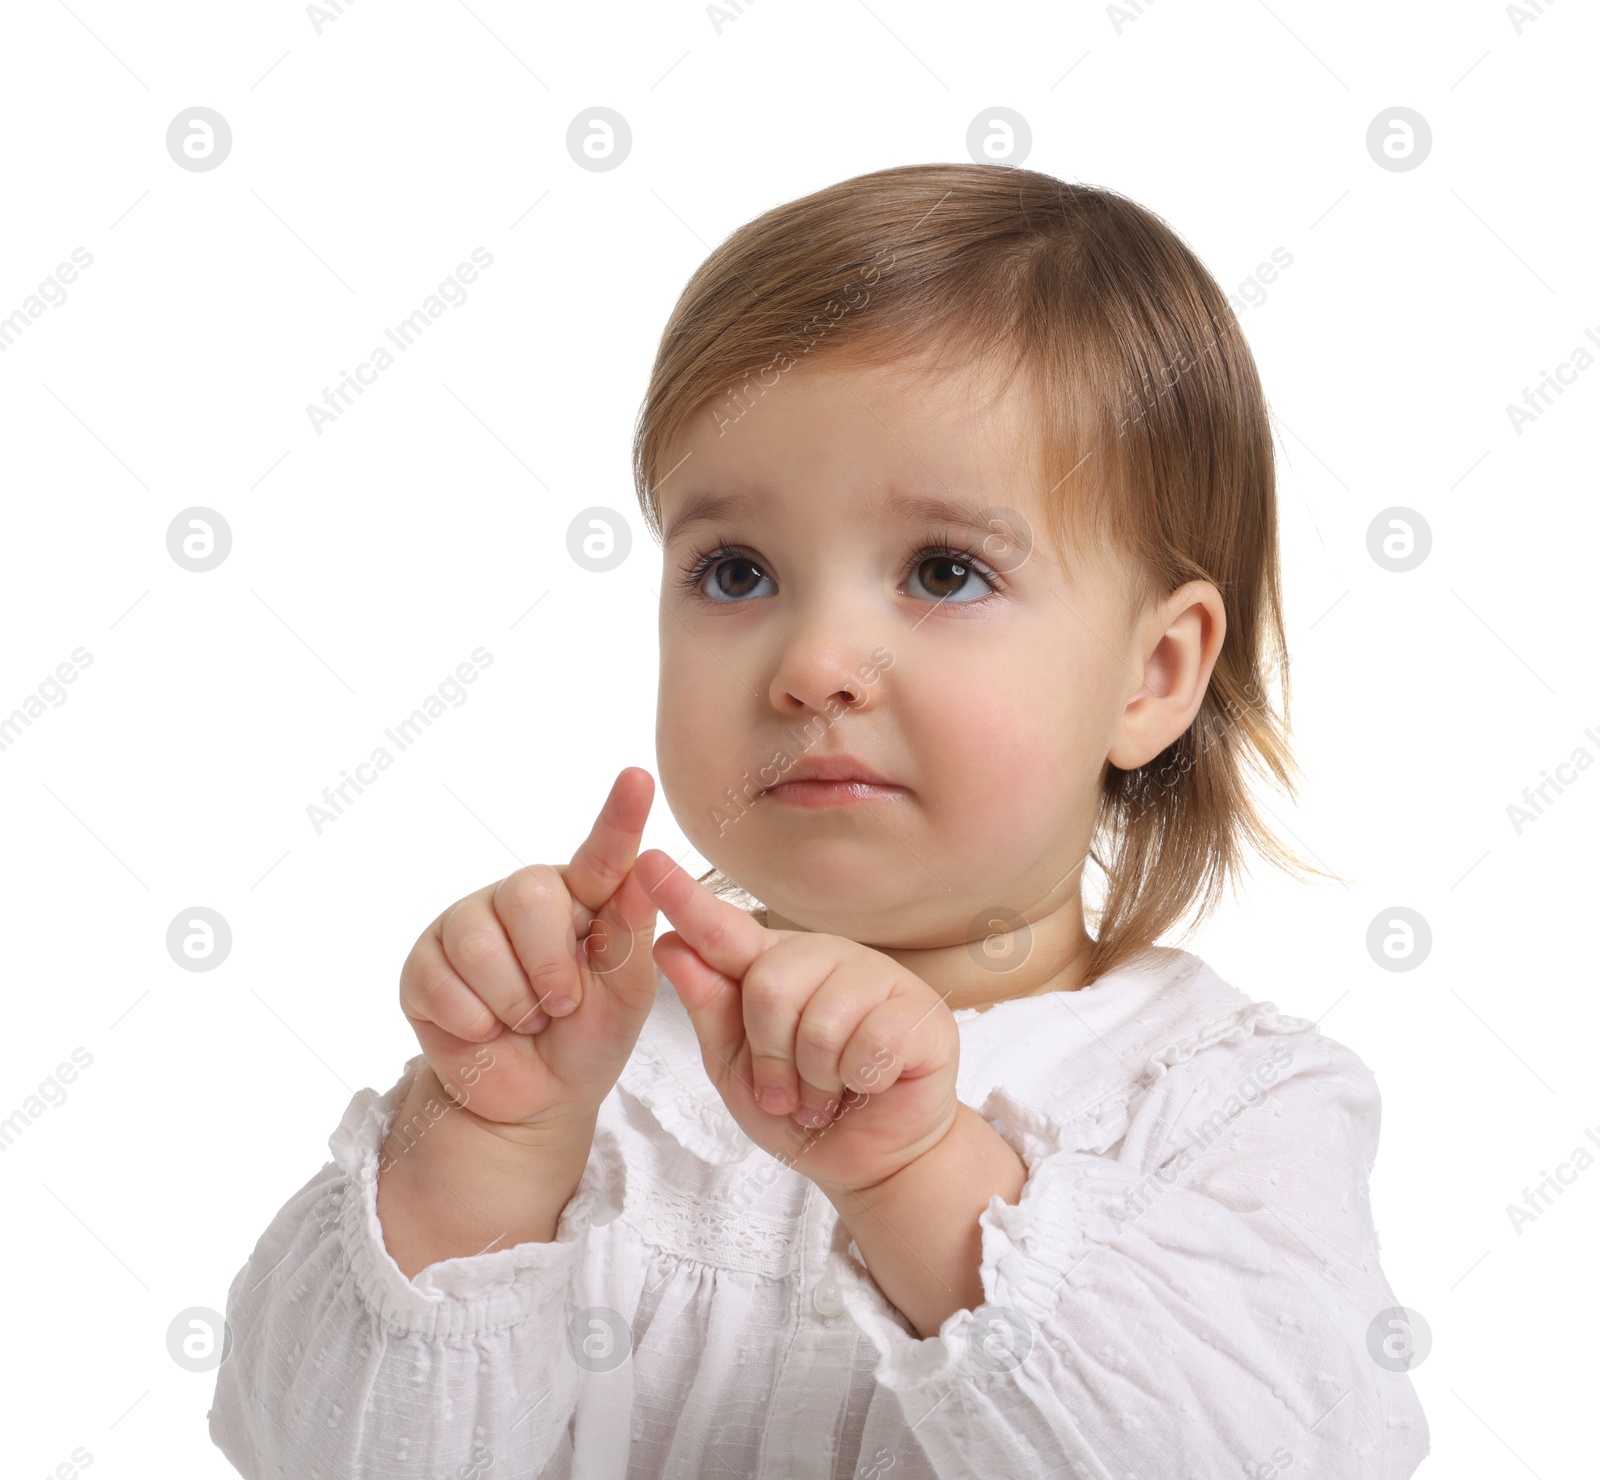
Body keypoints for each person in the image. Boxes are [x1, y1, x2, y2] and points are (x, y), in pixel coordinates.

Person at [208, 162, 1430, 1478]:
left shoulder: (1226, 1102)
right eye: (736, 572)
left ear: (1154, 675)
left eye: (945, 572)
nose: (816, 661)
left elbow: (1287, 1450)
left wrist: (923, 1178)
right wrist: (483, 1150)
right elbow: (308, 1450)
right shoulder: (588, 1066)